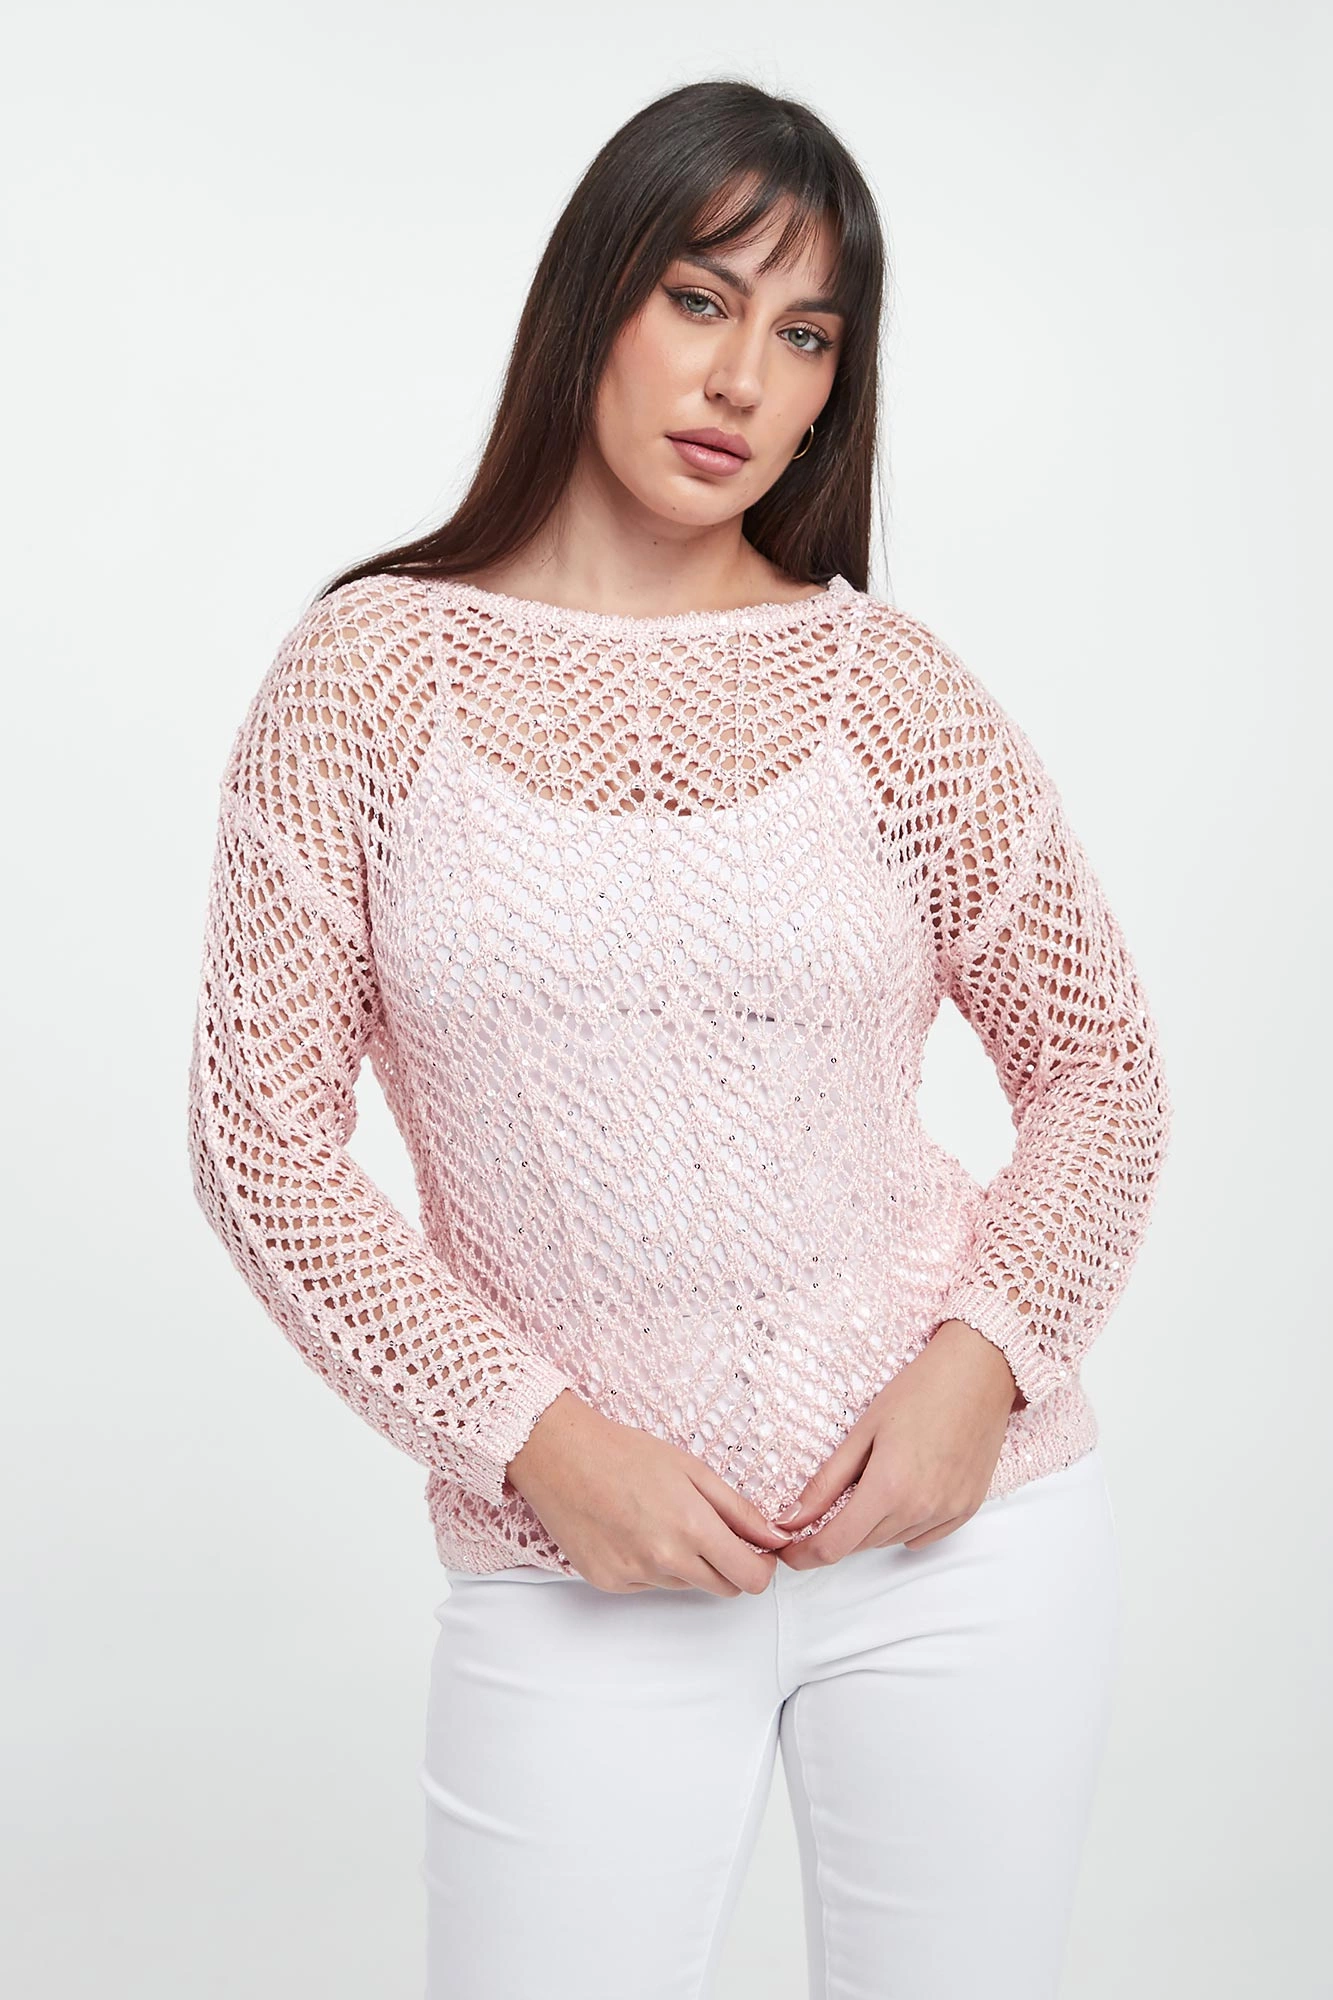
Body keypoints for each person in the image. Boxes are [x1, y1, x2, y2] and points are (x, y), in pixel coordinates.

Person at [187, 76, 1173, 2000]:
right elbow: (258, 1143)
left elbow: (1102, 1065)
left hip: (962, 1549)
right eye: (702, 300)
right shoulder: (368, 676)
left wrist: (983, 1369)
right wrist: (535, 1439)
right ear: (595, 300)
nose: (742, 378)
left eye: (806, 336)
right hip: (578, 1568)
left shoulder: (888, 690)